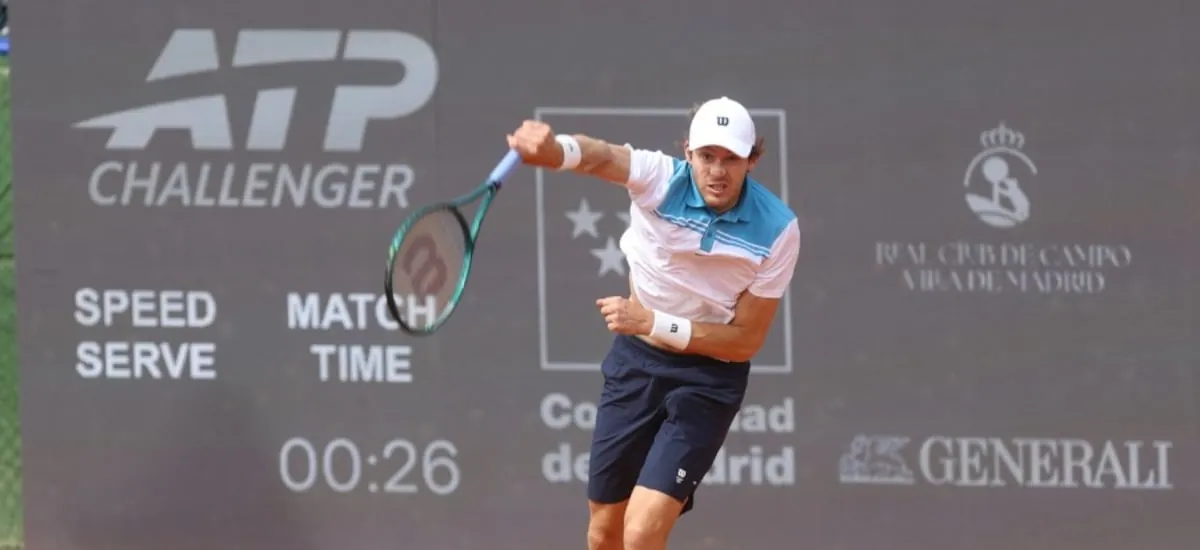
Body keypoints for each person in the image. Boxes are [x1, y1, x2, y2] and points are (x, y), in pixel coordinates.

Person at [507, 96, 801, 550]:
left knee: (642, 532)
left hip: (708, 380)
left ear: (752, 160)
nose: (717, 171)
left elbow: (745, 340)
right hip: (637, 364)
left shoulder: (778, 230)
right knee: (604, 533)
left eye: (730, 159)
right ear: (688, 153)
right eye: (707, 156)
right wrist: (555, 151)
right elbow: (601, 156)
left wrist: (652, 321)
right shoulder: (660, 178)